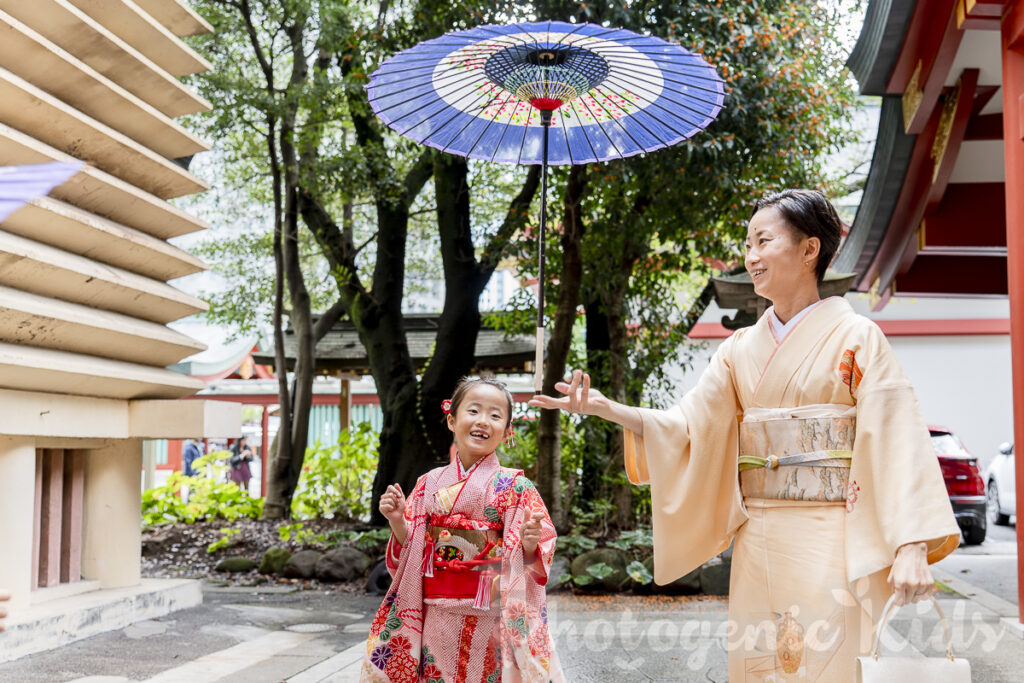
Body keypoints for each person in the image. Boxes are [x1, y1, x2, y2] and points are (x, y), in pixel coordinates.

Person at [530, 189, 960, 681]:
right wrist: (610, 409)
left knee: (826, 663)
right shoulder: (739, 349)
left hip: (829, 536)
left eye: (763, 241)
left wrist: (909, 545)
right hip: (757, 536)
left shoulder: (857, 337)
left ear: (809, 249)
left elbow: (896, 436)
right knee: (758, 664)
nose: (750, 256)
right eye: (748, 243)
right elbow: (687, 426)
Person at [360, 377, 563, 682]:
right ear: (452, 420)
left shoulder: (517, 488)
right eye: (474, 411)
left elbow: (537, 557)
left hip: (492, 618)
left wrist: (530, 545)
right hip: (436, 615)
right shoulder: (429, 483)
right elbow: (413, 552)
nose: (483, 421)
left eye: (495, 415)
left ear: (507, 431)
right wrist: (399, 520)